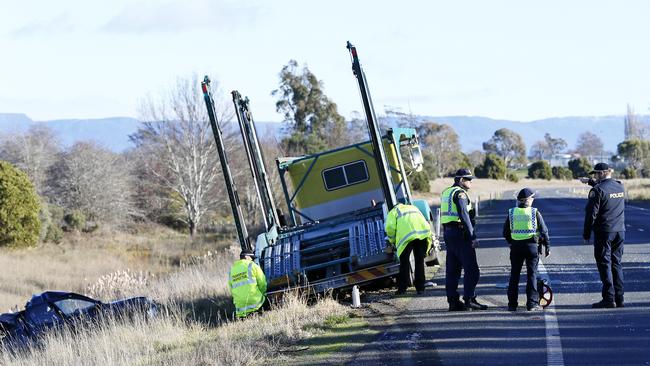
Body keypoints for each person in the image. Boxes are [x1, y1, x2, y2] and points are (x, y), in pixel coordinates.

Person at [440, 168, 487, 311]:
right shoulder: (460, 194)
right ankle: (469, 299)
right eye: (468, 179)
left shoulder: (446, 192)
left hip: (449, 233)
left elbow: (445, 215)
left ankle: (453, 302)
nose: (471, 182)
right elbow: (464, 215)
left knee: (452, 270)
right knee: (472, 269)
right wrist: (472, 237)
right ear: (461, 180)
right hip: (460, 234)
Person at [582, 162, 626, 308]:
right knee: (616, 263)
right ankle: (619, 298)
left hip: (604, 232)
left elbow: (591, 214)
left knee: (604, 264)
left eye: (595, 173)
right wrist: (591, 183)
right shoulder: (620, 186)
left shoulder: (597, 190)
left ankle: (608, 298)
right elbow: (606, 190)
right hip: (620, 231)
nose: (594, 176)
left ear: (602, 173)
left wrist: (586, 233)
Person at [503, 188, 551, 311]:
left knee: (514, 275)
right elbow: (544, 231)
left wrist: (511, 242)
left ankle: (512, 304)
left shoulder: (512, 213)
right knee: (532, 275)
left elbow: (505, 232)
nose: (533, 200)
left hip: (516, 247)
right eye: (532, 198)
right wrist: (547, 247)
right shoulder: (535, 212)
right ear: (528, 200)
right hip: (531, 247)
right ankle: (532, 303)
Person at [385, 203, 432, 295]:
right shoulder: (413, 207)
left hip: (406, 238)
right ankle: (420, 287)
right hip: (422, 234)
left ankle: (402, 288)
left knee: (404, 263)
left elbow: (390, 228)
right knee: (419, 261)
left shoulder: (393, 211)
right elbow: (424, 221)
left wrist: (392, 240)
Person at [228, 249, 270, 318]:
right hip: (256, 303)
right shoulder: (252, 265)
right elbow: (262, 284)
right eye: (252, 258)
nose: (252, 260)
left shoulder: (232, 270)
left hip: (240, 308)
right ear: (247, 257)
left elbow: (231, 289)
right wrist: (263, 295)